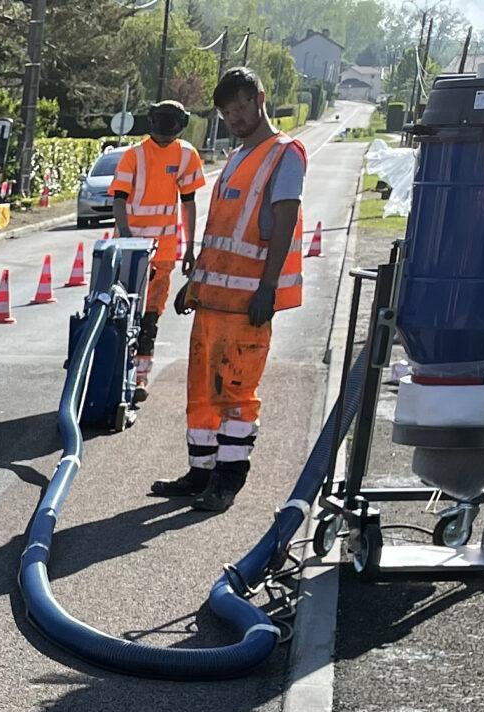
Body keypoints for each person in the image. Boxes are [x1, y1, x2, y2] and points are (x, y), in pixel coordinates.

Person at [152, 68, 307, 511]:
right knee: (201, 392)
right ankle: (200, 473)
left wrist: (269, 288)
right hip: (212, 303)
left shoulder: (283, 154)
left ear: (259, 98)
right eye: (226, 111)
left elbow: (284, 221)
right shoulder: (240, 154)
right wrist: (194, 283)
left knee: (235, 392)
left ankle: (229, 478)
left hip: (246, 307)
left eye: (241, 106)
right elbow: (221, 232)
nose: (235, 117)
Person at [107, 100, 204, 403]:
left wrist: (189, 247)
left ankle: (140, 377)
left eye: (169, 129)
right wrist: (124, 237)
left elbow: (188, 202)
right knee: (119, 313)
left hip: (162, 254)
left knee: (150, 317)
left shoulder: (186, 154)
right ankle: (115, 372)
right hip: (130, 251)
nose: (163, 136)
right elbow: (119, 200)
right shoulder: (134, 156)